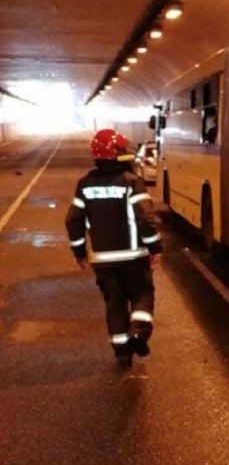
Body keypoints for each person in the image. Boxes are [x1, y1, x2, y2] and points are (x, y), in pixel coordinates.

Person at [65, 129, 163, 367]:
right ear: (118, 154)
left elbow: (73, 221)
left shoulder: (84, 185)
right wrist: (155, 247)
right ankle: (139, 332)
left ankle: (121, 352)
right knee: (142, 294)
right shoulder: (131, 182)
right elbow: (145, 218)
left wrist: (79, 253)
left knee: (114, 303)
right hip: (133, 257)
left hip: (103, 260)